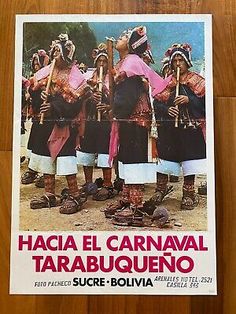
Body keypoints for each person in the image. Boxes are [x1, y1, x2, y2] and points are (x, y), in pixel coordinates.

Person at [105, 26, 170, 226]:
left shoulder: (132, 63)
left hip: (135, 121)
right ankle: (127, 200)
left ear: (132, 44)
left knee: (133, 161)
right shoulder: (126, 62)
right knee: (126, 159)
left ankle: (135, 208)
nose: (119, 37)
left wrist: (114, 111)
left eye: (125, 36)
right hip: (129, 121)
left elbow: (127, 97)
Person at [28, 34, 90, 214]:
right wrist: (40, 100)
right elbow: (33, 91)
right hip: (45, 123)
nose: (55, 54)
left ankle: (75, 195)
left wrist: (53, 106)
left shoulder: (75, 76)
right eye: (53, 51)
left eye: (58, 51)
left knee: (65, 159)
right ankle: (49, 194)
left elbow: (75, 103)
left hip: (63, 124)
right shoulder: (46, 72)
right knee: (46, 159)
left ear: (66, 54)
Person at [153, 43, 206, 210]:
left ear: (187, 62)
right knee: (165, 160)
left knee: (190, 160)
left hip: (190, 130)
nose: (177, 63)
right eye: (174, 60)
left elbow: (207, 104)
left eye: (180, 60)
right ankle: (160, 189)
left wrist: (189, 100)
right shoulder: (167, 82)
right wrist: (167, 109)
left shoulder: (197, 81)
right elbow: (156, 103)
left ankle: (189, 193)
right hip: (170, 130)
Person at [77, 43, 116, 201]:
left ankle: (107, 184)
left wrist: (106, 102)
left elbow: (117, 101)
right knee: (87, 151)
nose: (101, 64)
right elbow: (79, 97)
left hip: (105, 122)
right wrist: (89, 97)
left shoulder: (113, 80)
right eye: (99, 61)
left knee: (104, 151)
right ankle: (88, 183)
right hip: (90, 121)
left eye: (104, 61)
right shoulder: (87, 78)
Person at [21, 50, 50, 187]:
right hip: (36, 116)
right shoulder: (34, 78)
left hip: (47, 117)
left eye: (37, 63)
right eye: (34, 63)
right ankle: (33, 170)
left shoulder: (49, 77)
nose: (35, 65)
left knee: (44, 146)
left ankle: (45, 174)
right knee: (34, 144)